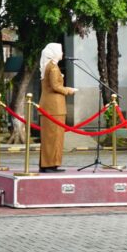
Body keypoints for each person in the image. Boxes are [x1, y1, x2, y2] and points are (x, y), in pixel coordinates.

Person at [38, 43, 78, 173]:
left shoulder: (48, 66)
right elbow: (55, 86)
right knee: (53, 137)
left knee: (51, 137)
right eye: (60, 51)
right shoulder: (53, 68)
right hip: (54, 107)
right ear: (54, 53)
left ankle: (48, 164)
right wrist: (69, 90)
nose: (62, 53)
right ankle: (50, 164)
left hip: (50, 106)